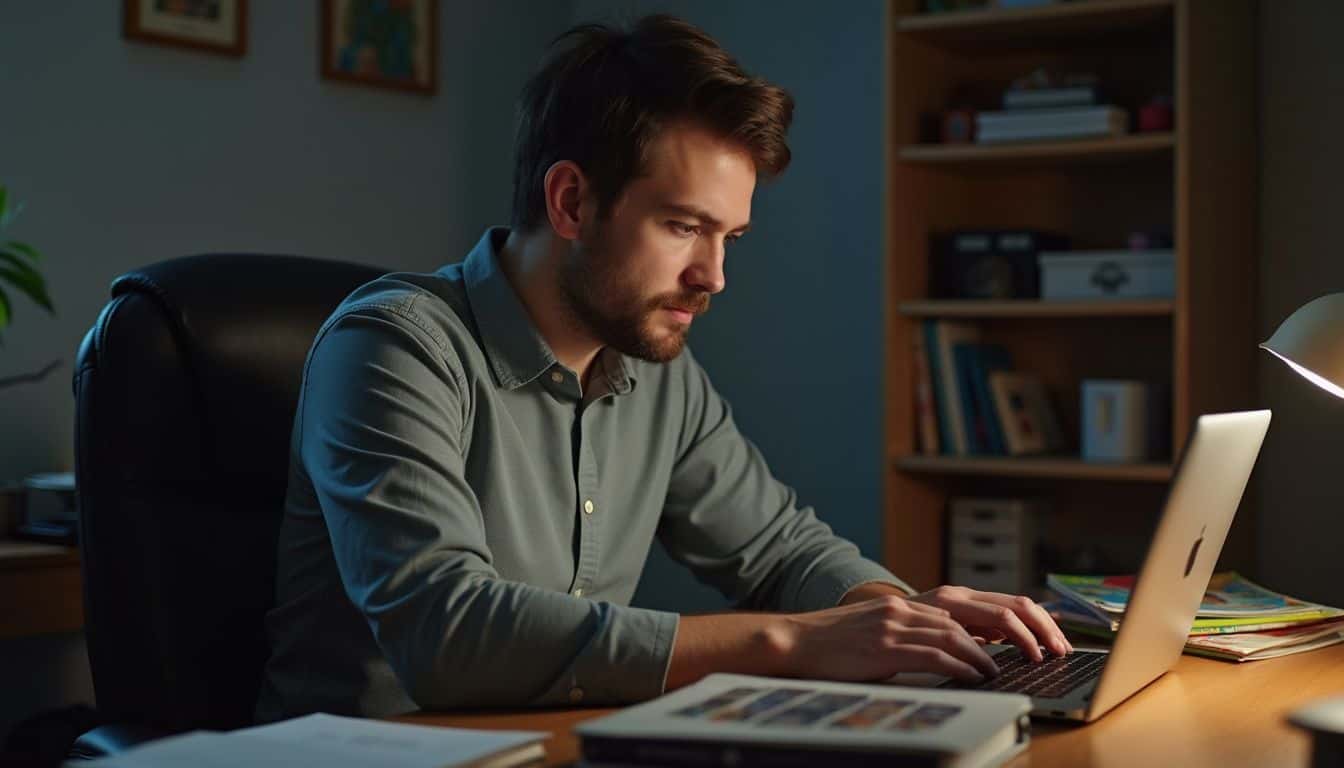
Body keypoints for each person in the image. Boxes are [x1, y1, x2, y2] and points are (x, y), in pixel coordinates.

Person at [256, 14, 1070, 722]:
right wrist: (795, 642)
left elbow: (780, 549)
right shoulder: (394, 347)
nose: (714, 277)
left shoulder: (655, 366)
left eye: (730, 239)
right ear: (571, 202)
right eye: (684, 227)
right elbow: (448, 633)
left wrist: (899, 616)